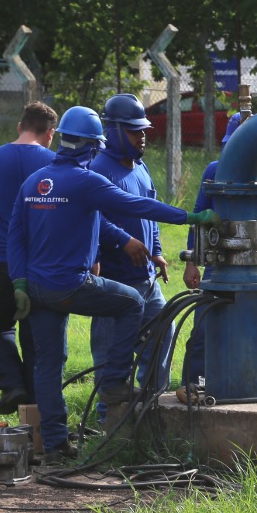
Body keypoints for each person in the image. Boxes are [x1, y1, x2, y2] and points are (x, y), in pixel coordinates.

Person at [8, 105, 216, 464]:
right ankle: (115, 382)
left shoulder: (34, 182)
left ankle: (56, 445)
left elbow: (16, 236)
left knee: (48, 363)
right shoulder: (86, 181)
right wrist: (191, 216)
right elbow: (137, 206)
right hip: (73, 285)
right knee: (132, 303)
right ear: (92, 146)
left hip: (38, 291)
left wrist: (20, 284)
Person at [175, 111, 257, 400]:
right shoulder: (214, 171)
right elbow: (199, 215)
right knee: (204, 331)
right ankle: (193, 386)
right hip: (219, 263)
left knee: (255, 331)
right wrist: (192, 261)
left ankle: (251, 386)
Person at [0, 101, 58, 415]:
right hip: (40, 261)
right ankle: (34, 409)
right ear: (50, 134)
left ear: (20, 126)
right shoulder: (55, 164)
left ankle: (12, 383)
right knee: (34, 332)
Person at [89, 94, 173, 418]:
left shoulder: (141, 168)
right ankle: (104, 421)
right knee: (112, 355)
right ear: (113, 131)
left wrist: (157, 252)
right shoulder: (98, 169)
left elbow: (150, 213)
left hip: (148, 281)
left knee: (162, 334)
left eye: (143, 131)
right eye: (135, 132)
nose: (142, 138)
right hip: (115, 280)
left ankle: (150, 412)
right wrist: (124, 241)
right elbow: (94, 217)